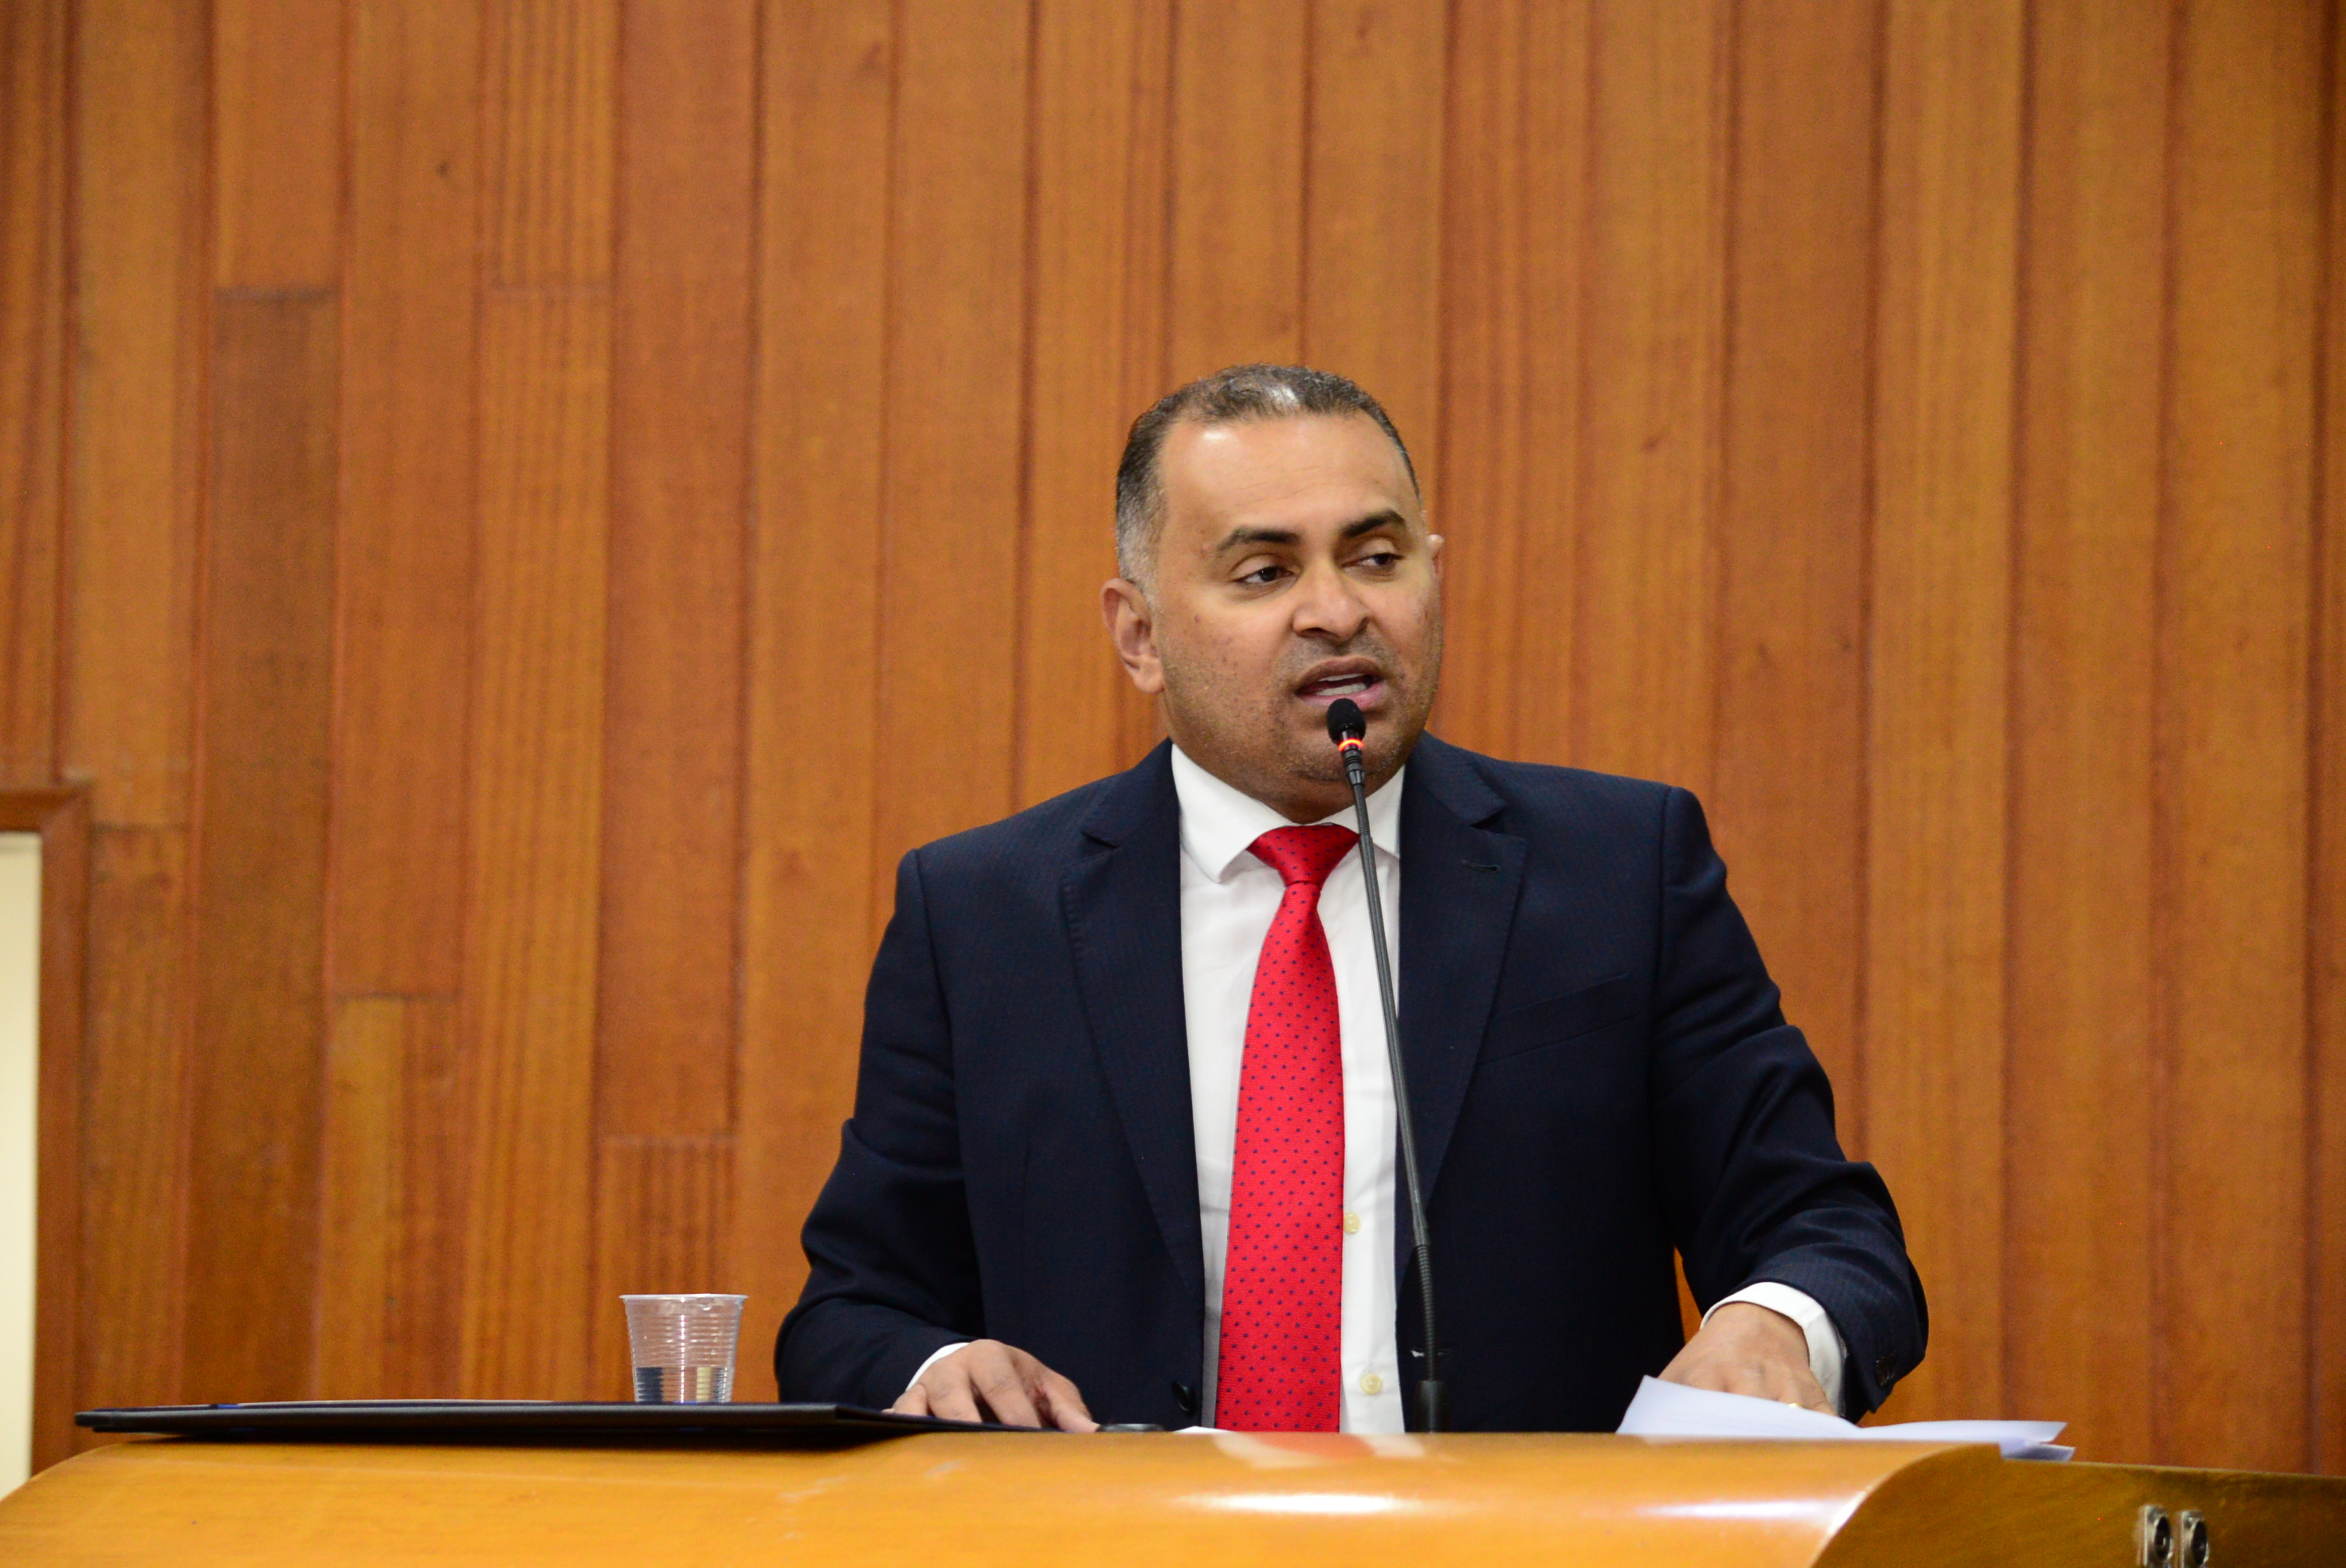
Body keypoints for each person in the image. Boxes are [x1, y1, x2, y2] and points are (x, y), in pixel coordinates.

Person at [775, 365, 1925, 1433]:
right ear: (1140, 636)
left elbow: (1827, 1233)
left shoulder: (1620, 872)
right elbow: (854, 1312)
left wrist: (1772, 1324)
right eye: (1265, 573)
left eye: (1377, 558)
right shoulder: (983, 915)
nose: (1336, 611)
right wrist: (939, 1366)